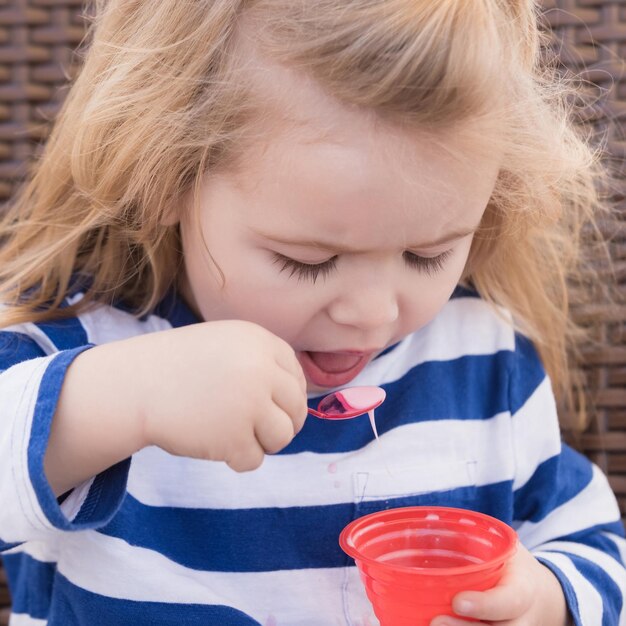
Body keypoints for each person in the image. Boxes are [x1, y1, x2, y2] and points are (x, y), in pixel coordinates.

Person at [0, 0, 624, 624]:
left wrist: (544, 603)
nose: (372, 313)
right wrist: (122, 400)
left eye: (428, 254)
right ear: (168, 179)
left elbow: (594, 548)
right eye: (309, 261)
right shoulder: (83, 349)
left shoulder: (482, 363)